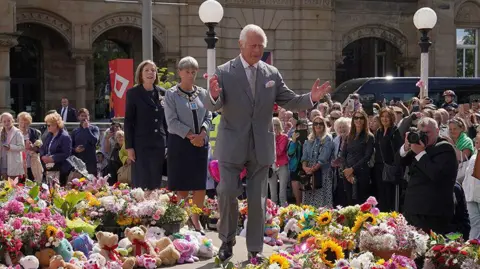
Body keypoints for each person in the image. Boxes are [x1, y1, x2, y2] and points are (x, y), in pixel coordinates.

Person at [204, 24, 331, 261]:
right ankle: (227, 239)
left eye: (261, 46)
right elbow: (214, 104)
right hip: (232, 143)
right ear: (240, 45)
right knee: (227, 192)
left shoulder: (271, 73)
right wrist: (211, 95)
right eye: (253, 45)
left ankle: (255, 249)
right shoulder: (223, 71)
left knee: (258, 199)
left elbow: (290, 100)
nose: (257, 50)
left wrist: (311, 99)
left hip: (261, 145)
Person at [164, 56, 212, 233]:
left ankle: (195, 219)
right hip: (180, 143)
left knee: (199, 184)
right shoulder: (171, 94)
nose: (191, 75)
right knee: (182, 184)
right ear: (180, 73)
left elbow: (208, 116)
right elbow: (171, 122)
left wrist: (203, 133)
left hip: (200, 144)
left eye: (193, 72)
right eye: (187, 72)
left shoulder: (203, 93)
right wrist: (192, 135)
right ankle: (183, 220)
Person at [396, 117, 458, 235]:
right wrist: (406, 147)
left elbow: (435, 174)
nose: (424, 136)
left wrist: (420, 153)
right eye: (421, 133)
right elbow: (398, 162)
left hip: (433, 212)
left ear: (437, 131)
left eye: (428, 133)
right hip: (413, 209)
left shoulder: (445, 148)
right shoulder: (419, 146)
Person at [124, 60, 167, 190]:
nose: (150, 73)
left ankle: (154, 209)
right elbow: (128, 121)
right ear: (141, 74)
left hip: (158, 144)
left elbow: (166, 120)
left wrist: (168, 143)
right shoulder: (133, 93)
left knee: (156, 181)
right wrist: (129, 147)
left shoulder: (163, 93)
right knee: (141, 182)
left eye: (153, 70)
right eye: (147, 70)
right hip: (140, 145)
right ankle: (141, 209)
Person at [40, 112, 72, 186]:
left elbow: (67, 153)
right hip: (49, 168)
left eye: (49, 125)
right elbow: (43, 147)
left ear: (55, 125)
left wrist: (53, 158)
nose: (47, 127)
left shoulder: (65, 136)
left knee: (58, 191)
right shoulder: (49, 135)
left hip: (60, 169)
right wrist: (43, 156)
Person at [71, 108, 99, 175]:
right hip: (78, 162)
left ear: (89, 117)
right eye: (82, 116)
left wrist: (86, 128)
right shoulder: (75, 131)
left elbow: (94, 141)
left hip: (90, 162)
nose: (84, 118)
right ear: (78, 117)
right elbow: (70, 147)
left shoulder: (94, 128)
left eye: (86, 116)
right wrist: (75, 150)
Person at [0, 113, 25, 180]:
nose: (6, 123)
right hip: (2, 161)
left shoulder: (17, 132)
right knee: (4, 184)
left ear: (12, 121)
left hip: (13, 161)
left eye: (8, 121)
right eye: (4, 121)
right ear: (1, 122)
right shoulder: (1, 132)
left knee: (13, 184)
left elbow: (22, 147)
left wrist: (10, 147)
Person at [17, 112, 41, 180]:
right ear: (18, 121)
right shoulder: (14, 132)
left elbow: (39, 148)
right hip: (18, 163)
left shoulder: (34, 132)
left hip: (31, 163)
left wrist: (32, 147)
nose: (23, 125)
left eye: (26, 123)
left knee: (32, 181)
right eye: (21, 122)